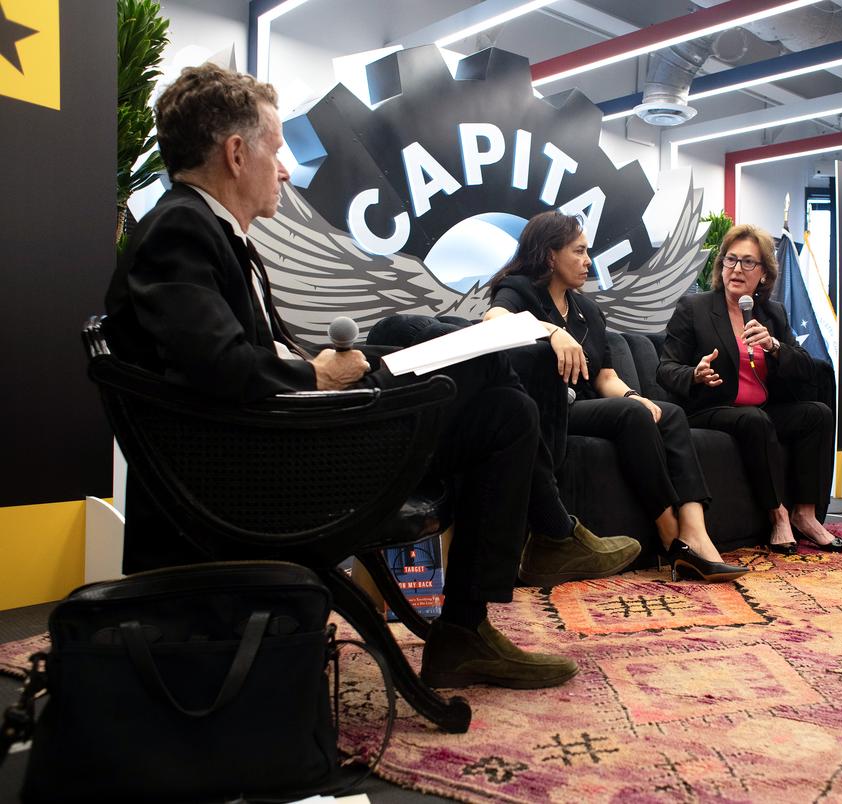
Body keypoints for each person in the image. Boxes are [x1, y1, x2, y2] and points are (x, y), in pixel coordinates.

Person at [104, 64, 623, 691]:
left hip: (271, 442)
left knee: (500, 403)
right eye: (276, 149)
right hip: (256, 471)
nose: (287, 168)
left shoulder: (205, 229)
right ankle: (501, 589)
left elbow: (224, 356)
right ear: (236, 154)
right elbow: (219, 365)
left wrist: (323, 368)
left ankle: (478, 616)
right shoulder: (182, 229)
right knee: (492, 389)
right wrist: (315, 373)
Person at [483, 212, 747, 583]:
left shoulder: (588, 311)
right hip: (551, 409)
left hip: (588, 402)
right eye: (578, 251)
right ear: (550, 255)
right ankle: (671, 538)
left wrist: (634, 395)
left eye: (587, 251)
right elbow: (493, 320)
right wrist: (550, 332)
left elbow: (605, 375)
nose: (588, 261)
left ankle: (696, 533)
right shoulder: (521, 288)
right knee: (631, 415)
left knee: (665, 413)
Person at [657, 224, 842, 554]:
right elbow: (665, 369)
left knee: (816, 414)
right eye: (730, 260)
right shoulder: (695, 308)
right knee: (753, 420)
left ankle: (806, 514)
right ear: (721, 266)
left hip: (760, 408)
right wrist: (695, 374)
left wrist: (774, 345)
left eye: (748, 262)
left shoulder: (772, 313)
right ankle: (778, 516)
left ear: (763, 274)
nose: (736, 269)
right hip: (710, 408)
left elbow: (804, 366)